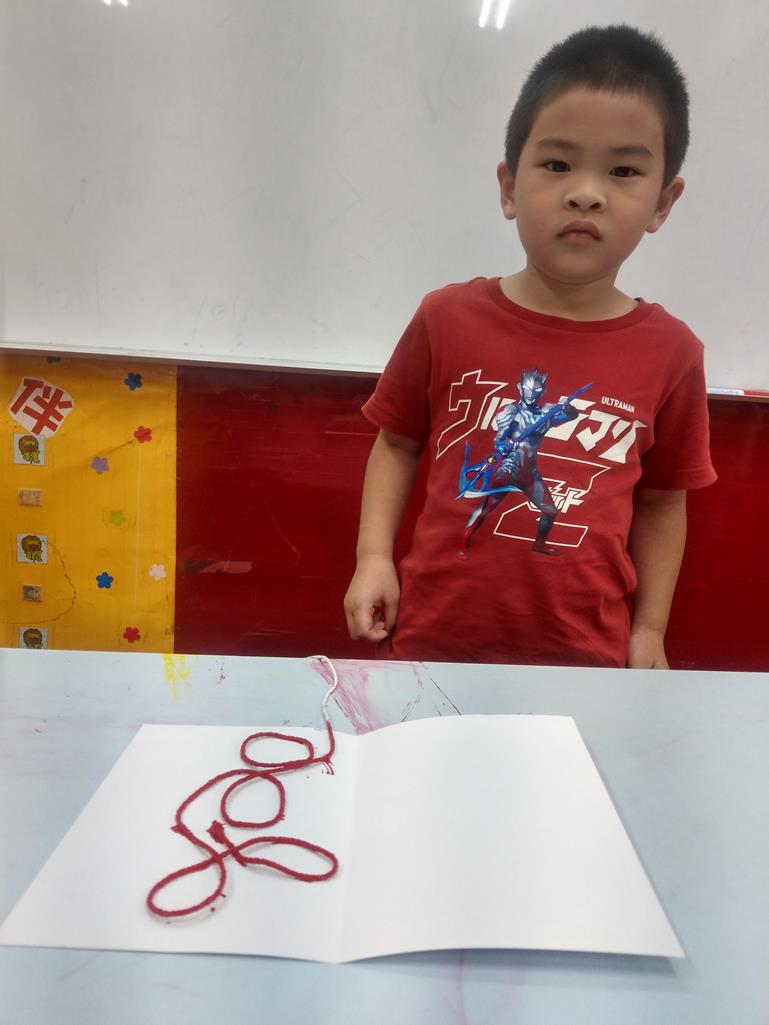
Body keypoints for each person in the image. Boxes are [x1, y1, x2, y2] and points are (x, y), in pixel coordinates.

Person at [343, 24, 717, 669]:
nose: (586, 192)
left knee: (540, 507)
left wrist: (650, 630)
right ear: (509, 187)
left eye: (623, 171)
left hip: (587, 664)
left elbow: (662, 503)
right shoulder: (446, 318)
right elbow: (397, 444)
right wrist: (373, 558)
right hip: (433, 648)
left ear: (662, 203)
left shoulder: (673, 353)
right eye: (557, 164)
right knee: (489, 504)